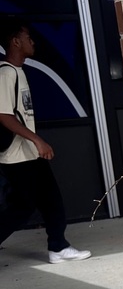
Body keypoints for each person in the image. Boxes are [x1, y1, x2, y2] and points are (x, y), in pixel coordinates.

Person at [0, 17, 91, 263]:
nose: (33, 42)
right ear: (16, 42)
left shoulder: (18, 72)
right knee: (21, 207)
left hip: (28, 153)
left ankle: (58, 247)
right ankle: (58, 246)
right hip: (16, 156)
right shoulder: (6, 74)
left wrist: (35, 144)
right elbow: (4, 116)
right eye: (28, 37)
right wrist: (37, 140)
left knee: (51, 199)